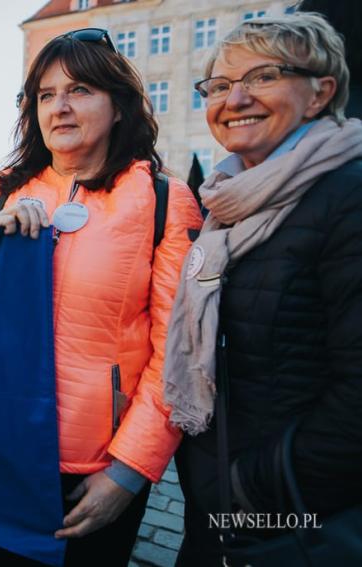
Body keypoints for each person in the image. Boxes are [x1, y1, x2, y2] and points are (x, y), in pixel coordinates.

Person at [0, 29, 202, 566]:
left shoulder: (163, 199)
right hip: (4, 442)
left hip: (94, 463)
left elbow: (179, 350)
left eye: (81, 89)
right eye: (46, 95)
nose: (60, 108)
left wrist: (130, 471)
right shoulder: (4, 188)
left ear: (119, 106)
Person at [165, 13, 362, 566]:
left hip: (295, 512)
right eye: (221, 86)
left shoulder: (347, 196)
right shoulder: (228, 202)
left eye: (263, 77)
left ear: (321, 92)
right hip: (221, 508)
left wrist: (250, 488)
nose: (236, 98)